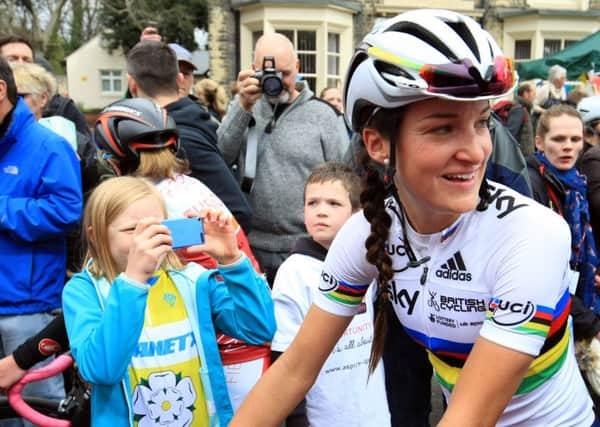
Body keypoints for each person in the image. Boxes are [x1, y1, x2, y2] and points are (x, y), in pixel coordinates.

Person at [229, 9, 595, 427]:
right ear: (378, 144)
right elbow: (294, 370)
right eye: (442, 129)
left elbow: (469, 417)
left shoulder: (532, 234)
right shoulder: (370, 231)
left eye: (480, 123)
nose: (476, 151)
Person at [94, 97, 272, 411]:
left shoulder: (149, 204)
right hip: (242, 341)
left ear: (115, 161)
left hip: (218, 348)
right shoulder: (189, 185)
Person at [62, 176, 275, 426]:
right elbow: (101, 370)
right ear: (96, 235)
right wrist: (134, 282)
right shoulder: (84, 291)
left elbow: (259, 328)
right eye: (133, 230)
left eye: (158, 228)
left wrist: (232, 260)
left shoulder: (193, 280)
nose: (148, 239)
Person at [217, 32, 349, 284]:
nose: (277, 82)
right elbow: (221, 155)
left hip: (308, 246)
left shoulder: (323, 115)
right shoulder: (246, 108)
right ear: (255, 70)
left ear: (298, 67)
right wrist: (242, 106)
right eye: (269, 74)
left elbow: (346, 182)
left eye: (285, 73)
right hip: (252, 244)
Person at [271, 162, 390, 427]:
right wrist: (297, 419)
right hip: (324, 416)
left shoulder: (365, 261)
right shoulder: (294, 272)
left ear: (357, 213)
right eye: (312, 203)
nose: (321, 211)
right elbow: (283, 355)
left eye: (334, 204)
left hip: (373, 412)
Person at [0, 56, 82, 426]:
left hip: (28, 307)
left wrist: (2, 208)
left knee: (36, 410)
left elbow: (67, 211)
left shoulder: (48, 145)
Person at [125, 40, 253, 233]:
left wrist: (171, 238)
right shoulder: (186, 124)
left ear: (132, 85)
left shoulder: (179, 140)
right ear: (179, 80)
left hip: (191, 260)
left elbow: (238, 214)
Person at [0, 35, 91, 139]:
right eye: (12, 59)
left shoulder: (62, 107)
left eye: (27, 60)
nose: (21, 64)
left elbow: (85, 148)